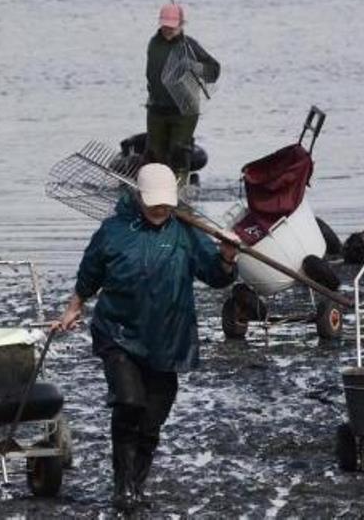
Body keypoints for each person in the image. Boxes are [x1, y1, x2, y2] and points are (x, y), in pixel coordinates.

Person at [50, 163, 237, 513]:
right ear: (138, 196)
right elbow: (89, 272)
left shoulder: (185, 232)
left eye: (166, 203)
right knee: (130, 402)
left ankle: (136, 484)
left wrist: (227, 257)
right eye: (153, 203)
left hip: (169, 339)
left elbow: (215, 276)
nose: (160, 209)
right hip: (118, 334)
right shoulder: (113, 231)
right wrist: (73, 307)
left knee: (151, 421)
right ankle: (122, 488)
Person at [145, 3, 220, 180]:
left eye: (172, 26)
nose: (168, 30)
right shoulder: (153, 44)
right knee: (155, 154)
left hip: (184, 110)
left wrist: (194, 66)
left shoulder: (190, 46)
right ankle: (158, 190)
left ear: (181, 25)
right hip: (157, 108)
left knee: (179, 150)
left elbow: (214, 71)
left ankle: (181, 187)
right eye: (165, 25)